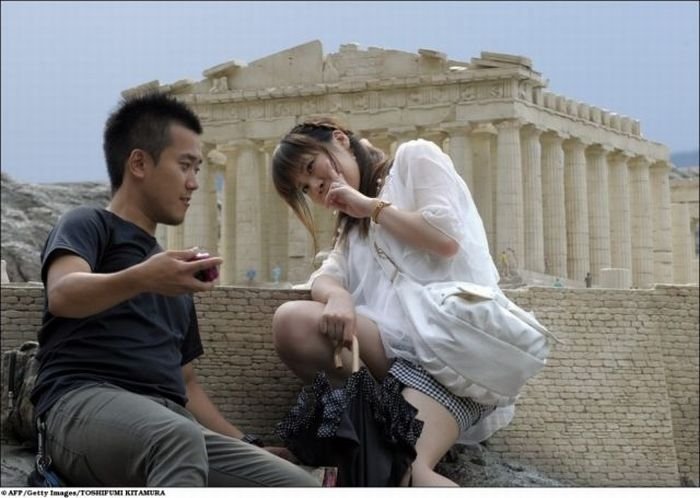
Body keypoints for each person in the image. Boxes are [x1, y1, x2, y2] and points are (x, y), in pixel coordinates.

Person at [30, 92, 319, 487]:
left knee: (298, 485)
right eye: (185, 166)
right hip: (81, 404)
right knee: (177, 438)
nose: (194, 183)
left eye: (198, 169)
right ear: (139, 163)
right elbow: (63, 294)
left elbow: (187, 384)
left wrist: (246, 444)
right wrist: (144, 277)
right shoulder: (89, 224)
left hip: (169, 422)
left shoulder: (171, 271)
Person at [270, 119, 513, 486]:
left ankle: (373, 437)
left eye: (310, 168)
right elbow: (327, 274)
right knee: (292, 322)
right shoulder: (350, 225)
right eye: (305, 189)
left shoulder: (416, 157)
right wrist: (337, 296)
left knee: (405, 472)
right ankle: (367, 425)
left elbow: (445, 237)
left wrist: (370, 207)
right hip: (396, 358)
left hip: (451, 360)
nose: (317, 188)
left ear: (340, 140)